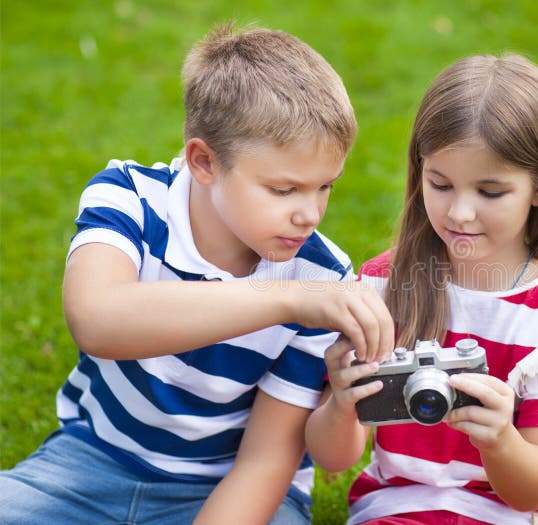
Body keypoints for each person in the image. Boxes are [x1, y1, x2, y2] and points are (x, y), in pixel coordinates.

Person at [0, 22, 395, 525]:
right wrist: (288, 298)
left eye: (325, 187)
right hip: (91, 463)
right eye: (283, 190)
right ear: (204, 161)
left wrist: (302, 294)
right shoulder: (129, 199)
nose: (310, 213)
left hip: (229, 485)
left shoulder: (322, 274)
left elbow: (266, 462)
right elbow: (97, 320)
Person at [306, 54, 538, 524]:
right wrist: (342, 404)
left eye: (490, 192)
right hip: (404, 506)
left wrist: (501, 439)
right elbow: (334, 458)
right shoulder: (382, 285)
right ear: (418, 170)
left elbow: (534, 490)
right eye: (440, 184)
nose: (460, 213)